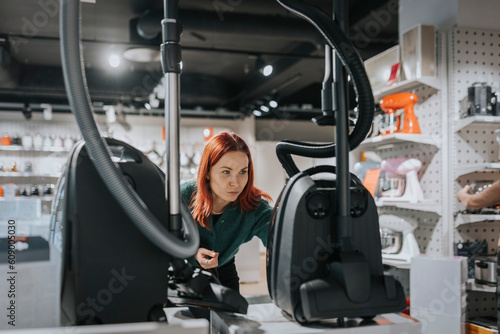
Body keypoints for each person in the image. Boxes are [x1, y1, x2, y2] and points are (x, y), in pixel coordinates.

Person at [180, 131, 273, 293]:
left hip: (224, 274)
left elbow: (280, 237)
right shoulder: (182, 195)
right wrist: (193, 252)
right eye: (226, 172)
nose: (235, 183)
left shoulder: (255, 206)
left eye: (243, 172)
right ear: (208, 172)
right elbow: (158, 234)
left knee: (230, 318)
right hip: (183, 273)